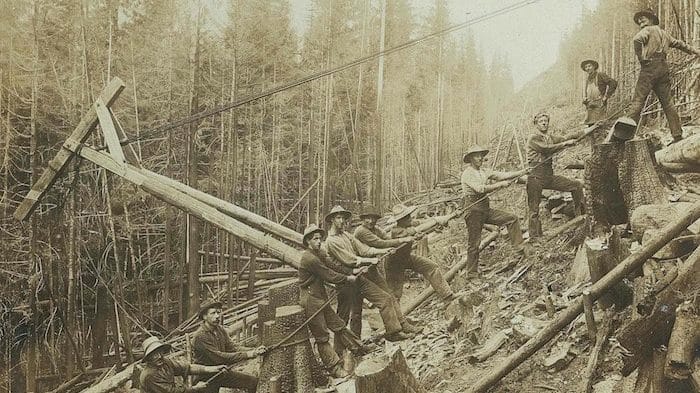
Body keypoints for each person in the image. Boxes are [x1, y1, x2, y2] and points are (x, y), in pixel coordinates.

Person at [322, 205, 419, 349]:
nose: (342, 221)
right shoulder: (331, 241)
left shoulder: (347, 235)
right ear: (331, 220)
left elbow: (364, 249)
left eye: (343, 218)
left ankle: (393, 332)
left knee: (385, 299)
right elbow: (350, 259)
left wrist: (383, 250)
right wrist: (369, 260)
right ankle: (341, 351)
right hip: (345, 281)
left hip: (359, 277)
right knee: (345, 317)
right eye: (338, 218)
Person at [298, 223, 368, 378]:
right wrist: (348, 278)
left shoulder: (319, 253)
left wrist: (352, 270)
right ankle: (335, 368)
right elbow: (328, 274)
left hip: (320, 298)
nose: (318, 241)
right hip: (310, 301)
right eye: (314, 239)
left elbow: (333, 265)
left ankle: (358, 348)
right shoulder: (309, 258)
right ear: (308, 241)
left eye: (319, 238)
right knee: (322, 335)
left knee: (338, 325)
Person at [354, 205, 456, 306]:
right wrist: (404, 238)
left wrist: (449, 216)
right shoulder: (396, 230)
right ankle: (397, 320)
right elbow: (380, 243)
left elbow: (388, 238)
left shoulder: (377, 229)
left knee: (431, 267)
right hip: (393, 263)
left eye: (374, 218)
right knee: (395, 293)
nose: (371, 221)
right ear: (401, 220)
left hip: (406, 258)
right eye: (407, 217)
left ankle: (447, 296)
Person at [629, 9, 700, 142]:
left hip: (649, 67)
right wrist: (695, 51)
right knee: (668, 103)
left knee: (638, 101)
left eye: (643, 19)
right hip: (663, 68)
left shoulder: (648, 30)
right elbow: (680, 44)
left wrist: (641, 59)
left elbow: (636, 40)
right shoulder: (664, 34)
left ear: (651, 20)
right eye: (639, 21)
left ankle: (624, 135)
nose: (640, 22)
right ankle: (677, 134)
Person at [461, 145, 529, 277]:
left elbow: (503, 175)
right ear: (470, 159)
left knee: (512, 218)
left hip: (485, 209)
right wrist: (499, 185)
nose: (480, 157)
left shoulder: (484, 171)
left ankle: (520, 249)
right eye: (476, 155)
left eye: (481, 155)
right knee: (474, 243)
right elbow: (480, 189)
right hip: (473, 211)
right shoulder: (467, 174)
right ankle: (472, 274)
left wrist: (522, 172)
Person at [526, 113, 584, 238]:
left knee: (576, 185)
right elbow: (546, 149)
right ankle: (534, 237)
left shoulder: (550, 137)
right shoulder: (533, 138)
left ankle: (580, 217)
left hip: (548, 176)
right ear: (536, 124)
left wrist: (585, 131)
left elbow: (566, 137)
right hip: (535, 177)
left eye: (546, 121)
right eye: (541, 121)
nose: (544, 123)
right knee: (534, 209)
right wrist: (565, 144)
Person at [191, 299, 265, 393]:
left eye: (218, 312)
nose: (217, 316)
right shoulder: (200, 336)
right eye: (213, 313)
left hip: (221, 372)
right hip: (206, 377)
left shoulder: (220, 330)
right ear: (204, 317)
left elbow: (233, 347)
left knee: (252, 381)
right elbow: (219, 357)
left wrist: (255, 350)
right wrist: (249, 354)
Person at [139, 335, 226, 393]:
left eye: (160, 352)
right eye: (154, 354)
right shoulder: (149, 375)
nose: (159, 356)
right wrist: (195, 388)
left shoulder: (166, 362)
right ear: (148, 357)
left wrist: (212, 369)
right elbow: (172, 392)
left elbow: (187, 368)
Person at [581, 59, 617, 126]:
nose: (588, 68)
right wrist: (585, 99)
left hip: (599, 105)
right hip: (590, 106)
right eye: (586, 67)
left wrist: (606, 96)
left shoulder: (600, 75)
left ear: (594, 66)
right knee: (590, 126)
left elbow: (613, 83)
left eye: (589, 66)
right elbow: (587, 92)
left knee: (599, 126)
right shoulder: (587, 79)